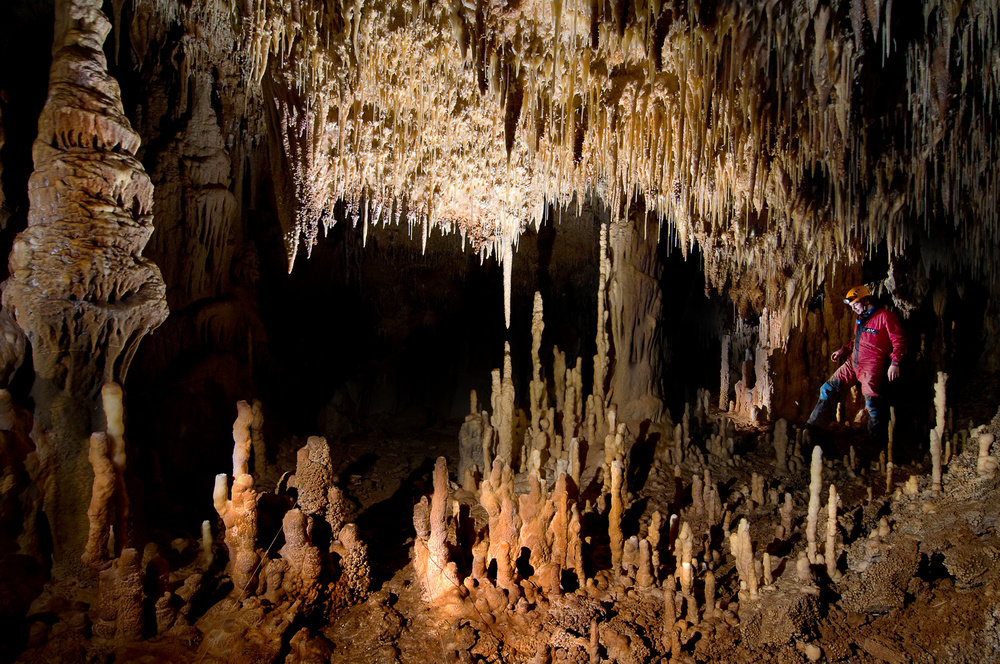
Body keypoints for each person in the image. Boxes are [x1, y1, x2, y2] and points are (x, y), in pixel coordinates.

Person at [806, 285, 907, 440]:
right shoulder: (861, 319)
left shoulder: (885, 316)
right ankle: (811, 427)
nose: (853, 309)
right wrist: (844, 350)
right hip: (853, 362)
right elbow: (858, 341)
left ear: (866, 300)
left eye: (855, 305)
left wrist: (895, 362)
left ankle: (874, 439)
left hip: (871, 366)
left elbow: (899, 340)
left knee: (871, 403)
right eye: (852, 306)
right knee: (826, 389)